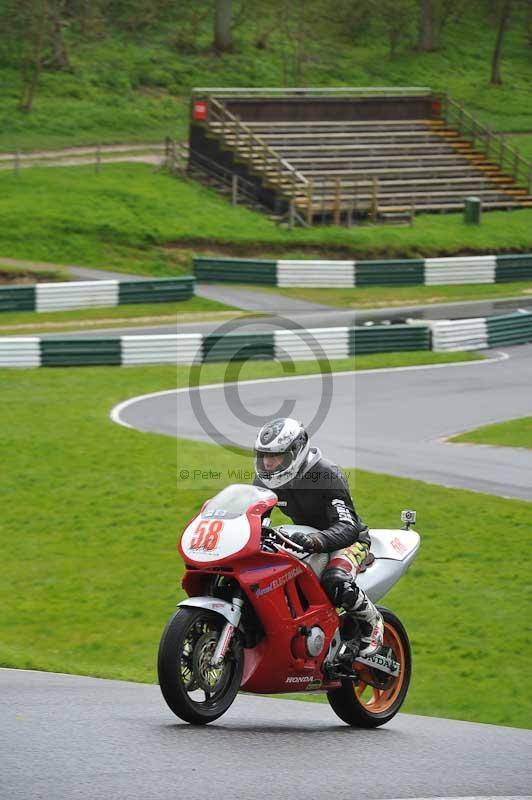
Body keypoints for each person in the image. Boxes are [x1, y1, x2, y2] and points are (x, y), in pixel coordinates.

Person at [253, 417, 383, 657]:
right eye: (264, 456)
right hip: (304, 539)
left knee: (334, 580)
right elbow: (254, 516)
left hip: (347, 541)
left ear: (295, 452)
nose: (268, 464)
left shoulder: (325, 474)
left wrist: (318, 541)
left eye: (276, 456)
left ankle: (372, 622)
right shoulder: (266, 478)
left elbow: (348, 525)